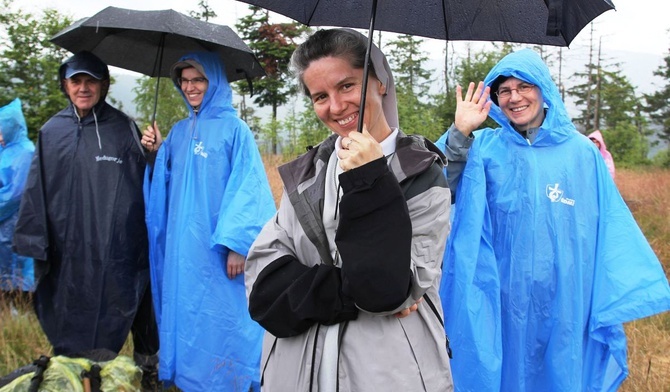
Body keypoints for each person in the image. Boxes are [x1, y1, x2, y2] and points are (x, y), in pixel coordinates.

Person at [438, 48, 670, 391]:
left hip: (565, 301)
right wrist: (459, 133)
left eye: (524, 86)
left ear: (543, 88)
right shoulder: (482, 147)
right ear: (495, 98)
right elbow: (436, 186)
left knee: (560, 376)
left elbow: (610, 226)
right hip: (498, 298)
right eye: (505, 90)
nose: (515, 97)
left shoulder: (582, 154)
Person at [244, 28, 453, 392]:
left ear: (380, 82)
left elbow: (388, 289)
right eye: (320, 96)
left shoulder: (422, 175)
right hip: (298, 372)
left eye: (346, 86)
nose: (336, 107)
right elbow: (263, 287)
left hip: (386, 373)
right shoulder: (309, 174)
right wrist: (346, 289)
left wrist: (370, 177)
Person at [12, 51, 160, 388]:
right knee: (67, 311)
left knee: (128, 306)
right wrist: (35, 242)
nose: (83, 88)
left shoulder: (123, 129)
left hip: (116, 249)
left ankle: (147, 373)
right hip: (66, 250)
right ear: (65, 85)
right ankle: (73, 375)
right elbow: (36, 189)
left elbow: (147, 183)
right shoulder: (52, 132)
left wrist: (152, 155)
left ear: (104, 85)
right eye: (76, 81)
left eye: (90, 81)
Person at [141, 51, 276, 392]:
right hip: (183, 248)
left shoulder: (235, 130)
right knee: (188, 313)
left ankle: (230, 381)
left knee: (224, 318)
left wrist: (238, 245)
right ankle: (190, 379)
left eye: (198, 79)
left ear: (214, 82)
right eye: (184, 81)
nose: (190, 87)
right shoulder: (179, 131)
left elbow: (249, 187)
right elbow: (168, 183)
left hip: (218, 250)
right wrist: (157, 154)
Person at [0, 98, 35, 296]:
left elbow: (17, 193)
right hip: (4, 221)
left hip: (16, 220)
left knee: (17, 266)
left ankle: (20, 306)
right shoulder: (5, 149)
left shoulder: (25, 151)